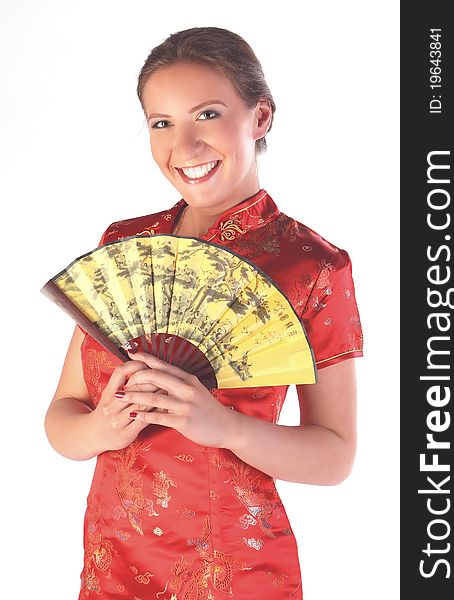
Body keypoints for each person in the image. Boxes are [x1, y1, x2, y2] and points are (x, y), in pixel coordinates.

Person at [44, 26, 363, 600]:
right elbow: (63, 418)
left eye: (208, 115)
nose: (183, 147)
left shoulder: (313, 266)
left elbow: (335, 455)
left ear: (260, 118)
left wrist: (228, 429)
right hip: (112, 561)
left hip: (234, 570)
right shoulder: (125, 246)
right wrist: (100, 428)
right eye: (161, 123)